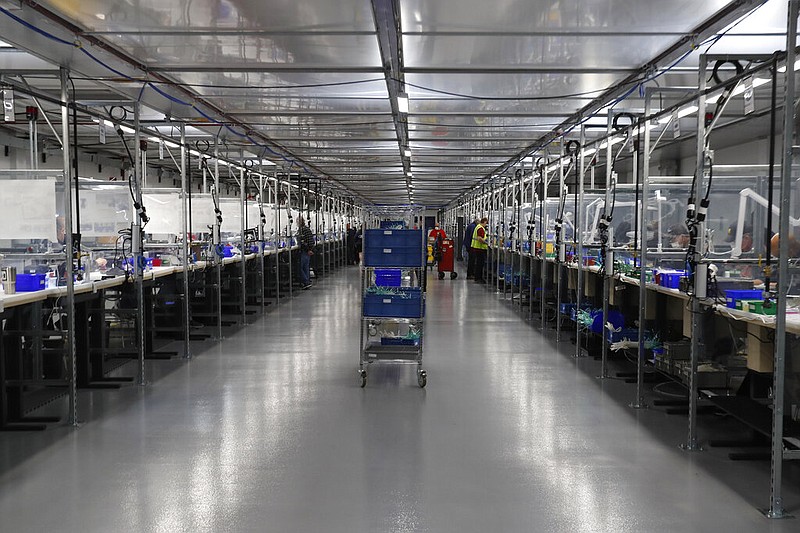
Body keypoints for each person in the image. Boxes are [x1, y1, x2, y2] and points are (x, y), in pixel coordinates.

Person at [297, 216, 314, 289]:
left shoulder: (302, 230)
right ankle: (307, 282)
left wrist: (308, 250)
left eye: (297, 222)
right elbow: (312, 240)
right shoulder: (307, 228)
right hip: (309, 250)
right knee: (305, 267)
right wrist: (310, 249)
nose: (296, 223)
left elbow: (303, 241)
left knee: (299, 267)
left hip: (305, 250)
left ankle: (306, 282)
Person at [471, 217, 489, 283]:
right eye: (486, 223)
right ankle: (479, 278)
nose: (486, 225)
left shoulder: (478, 227)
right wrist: (487, 243)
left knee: (478, 264)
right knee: (480, 264)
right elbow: (479, 238)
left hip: (477, 248)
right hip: (480, 249)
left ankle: (477, 277)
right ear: (484, 222)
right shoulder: (480, 228)